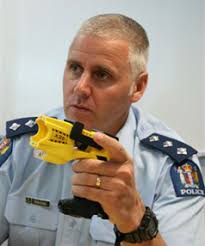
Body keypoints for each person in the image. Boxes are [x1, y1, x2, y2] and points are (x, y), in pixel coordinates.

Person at [0, 13, 204, 246]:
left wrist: (136, 223)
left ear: (137, 87)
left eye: (102, 74)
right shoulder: (22, 145)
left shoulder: (170, 167)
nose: (81, 87)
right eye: (75, 68)